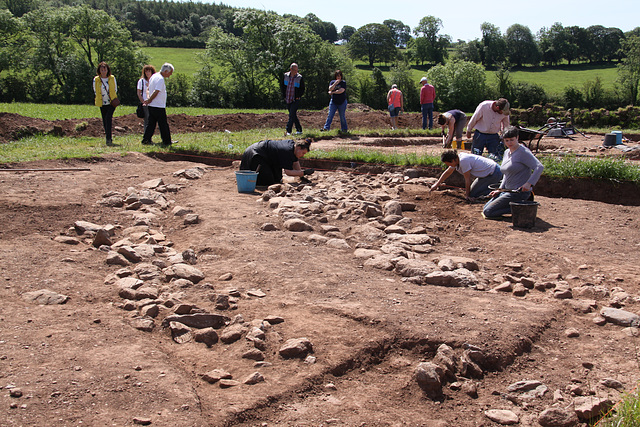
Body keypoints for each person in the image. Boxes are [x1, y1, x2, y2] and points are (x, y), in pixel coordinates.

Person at [482, 126, 544, 219]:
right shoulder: (507, 152)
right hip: (507, 191)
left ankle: (522, 208)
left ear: (517, 138)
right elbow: (507, 174)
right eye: (506, 140)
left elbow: (539, 167)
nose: (509, 143)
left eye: (512, 140)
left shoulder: (523, 152)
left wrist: (529, 184)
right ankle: (516, 207)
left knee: (488, 212)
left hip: (519, 193)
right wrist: (499, 189)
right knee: (485, 208)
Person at [430, 149, 503, 201]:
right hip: (485, 174)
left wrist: (467, 196)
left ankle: (500, 191)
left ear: (452, 160)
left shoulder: (463, 161)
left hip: (494, 172)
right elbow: (448, 172)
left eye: (447, 163)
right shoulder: (456, 160)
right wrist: (436, 184)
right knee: (473, 192)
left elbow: (467, 179)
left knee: (474, 194)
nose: (447, 165)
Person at [240, 138, 314, 186]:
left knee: (277, 179)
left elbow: (295, 161)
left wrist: (301, 176)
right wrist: (304, 172)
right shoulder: (287, 151)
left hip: (268, 157)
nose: (303, 155)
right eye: (303, 153)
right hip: (256, 154)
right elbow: (288, 172)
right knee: (268, 181)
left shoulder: (293, 147)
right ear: (298, 148)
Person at [141, 63, 174, 147]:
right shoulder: (160, 79)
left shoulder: (154, 76)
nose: (170, 75)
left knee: (151, 123)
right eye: (170, 72)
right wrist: (149, 99)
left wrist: (148, 99)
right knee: (163, 124)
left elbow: (148, 89)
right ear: (166, 71)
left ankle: (146, 139)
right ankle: (167, 141)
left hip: (152, 105)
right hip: (158, 105)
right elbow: (156, 91)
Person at [93, 62, 117, 146]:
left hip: (111, 102)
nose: (103, 71)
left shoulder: (112, 78)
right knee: (104, 120)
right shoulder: (96, 79)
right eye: (102, 69)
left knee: (108, 118)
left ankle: (109, 138)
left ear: (107, 70)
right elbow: (95, 90)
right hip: (102, 102)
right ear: (99, 70)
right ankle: (108, 137)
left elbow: (115, 89)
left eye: (105, 69)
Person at [281, 63, 305, 136]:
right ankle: (299, 130)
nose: (296, 72)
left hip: (295, 99)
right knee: (293, 115)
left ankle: (288, 131)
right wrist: (284, 95)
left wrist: (298, 96)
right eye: (294, 70)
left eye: (297, 70)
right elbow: (282, 86)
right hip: (288, 98)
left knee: (291, 115)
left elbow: (302, 88)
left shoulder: (299, 77)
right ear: (290, 69)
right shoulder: (285, 76)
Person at [137, 64, 156, 138]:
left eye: (149, 71)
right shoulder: (141, 81)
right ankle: (146, 136)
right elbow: (139, 92)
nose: (147, 73)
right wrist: (142, 101)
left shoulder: (154, 80)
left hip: (154, 103)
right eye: (146, 71)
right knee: (147, 120)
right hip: (145, 103)